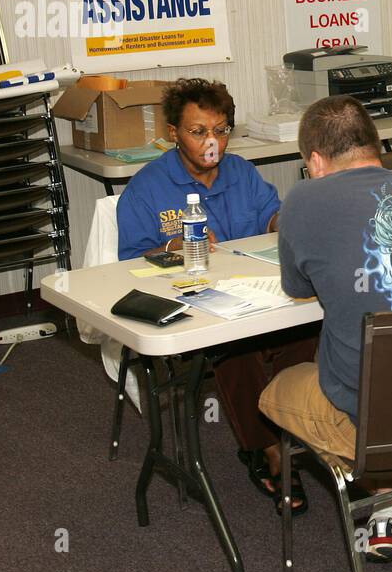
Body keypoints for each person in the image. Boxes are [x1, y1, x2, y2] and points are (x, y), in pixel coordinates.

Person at [259, 95, 392, 564]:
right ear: (375, 146)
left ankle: (388, 494)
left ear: (315, 161)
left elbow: (298, 290)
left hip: (376, 422)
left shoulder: (303, 200)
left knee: (274, 391)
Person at [116, 78, 318, 514]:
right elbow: (125, 266)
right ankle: (265, 448)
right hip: (197, 308)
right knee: (235, 348)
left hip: (259, 295)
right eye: (198, 131)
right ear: (173, 133)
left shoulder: (241, 172)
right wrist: (171, 247)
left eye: (222, 130)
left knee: (310, 327)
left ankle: (294, 426)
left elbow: (271, 216)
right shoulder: (147, 188)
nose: (213, 142)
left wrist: (291, 223)